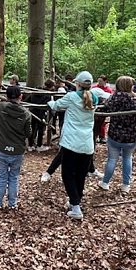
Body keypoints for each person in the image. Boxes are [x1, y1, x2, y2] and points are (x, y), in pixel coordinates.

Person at [47, 71, 97, 220]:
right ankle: (75, 202)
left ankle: (76, 207)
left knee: (68, 175)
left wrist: (49, 102)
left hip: (71, 143)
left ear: (77, 84)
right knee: (80, 175)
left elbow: (56, 105)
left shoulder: (71, 97)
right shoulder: (94, 98)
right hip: (87, 144)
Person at [96, 76, 136, 194]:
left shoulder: (115, 97)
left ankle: (105, 182)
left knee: (112, 159)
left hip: (115, 135)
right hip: (131, 137)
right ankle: (126, 185)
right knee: (127, 158)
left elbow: (105, 109)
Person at [0, 84, 32, 209]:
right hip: (17, 151)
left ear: (6, 96)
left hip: (3, 149)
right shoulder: (26, 113)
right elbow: (29, 133)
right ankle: (12, 204)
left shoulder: (1, 107)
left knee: (1, 177)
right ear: (20, 96)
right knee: (14, 177)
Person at [25, 83, 50, 152]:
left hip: (33, 114)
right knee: (40, 130)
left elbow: (26, 101)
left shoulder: (32, 95)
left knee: (32, 129)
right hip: (41, 115)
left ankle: (31, 145)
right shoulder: (46, 96)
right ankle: (38, 145)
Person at [92, 75, 113, 143]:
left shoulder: (108, 89)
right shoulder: (94, 88)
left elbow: (110, 98)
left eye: (101, 81)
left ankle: (102, 136)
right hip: (94, 108)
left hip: (103, 108)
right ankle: (94, 136)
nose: (99, 82)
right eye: (98, 81)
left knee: (102, 123)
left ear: (105, 81)